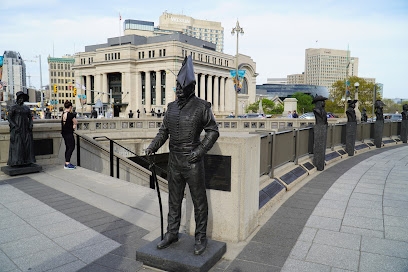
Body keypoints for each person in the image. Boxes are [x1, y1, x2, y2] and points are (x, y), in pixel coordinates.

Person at [146, 56, 219, 255]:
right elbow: (164, 132)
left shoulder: (202, 106)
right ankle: (172, 233)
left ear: (190, 87)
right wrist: (153, 146)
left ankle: (201, 238)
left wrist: (200, 151)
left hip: (193, 160)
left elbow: (213, 131)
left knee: (198, 201)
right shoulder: (170, 108)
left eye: (180, 86)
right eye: (176, 86)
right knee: (174, 200)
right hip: (174, 160)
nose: (177, 89)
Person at [7, 91, 36, 166]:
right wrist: (14, 126)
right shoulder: (13, 107)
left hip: (26, 129)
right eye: (20, 98)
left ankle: (28, 161)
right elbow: (9, 118)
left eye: (22, 98)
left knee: (27, 145)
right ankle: (17, 162)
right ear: (17, 98)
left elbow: (30, 117)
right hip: (18, 129)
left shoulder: (26, 108)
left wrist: (30, 124)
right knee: (18, 145)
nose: (21, 99)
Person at [61, 100, 78, 170]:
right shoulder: (70, 115)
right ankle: (67, 163)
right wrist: (74, 125)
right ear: (70, 107)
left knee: (68, 147)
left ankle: (67, 162)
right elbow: (76, 122)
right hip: (69, 133)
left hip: (64, 133)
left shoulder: (63, 114)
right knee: (71, 147)